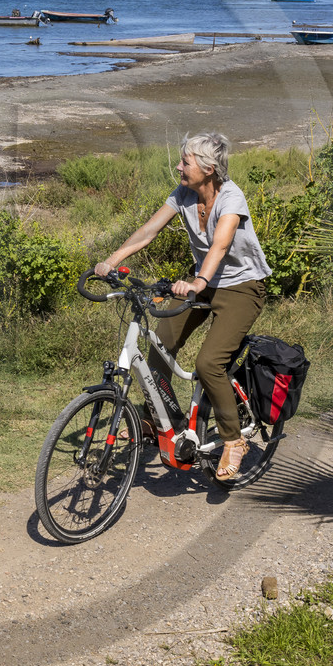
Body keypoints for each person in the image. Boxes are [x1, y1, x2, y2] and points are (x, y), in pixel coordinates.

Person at [92, 134, 271, 479]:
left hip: (241, 288)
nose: (178, 166)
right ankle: (155, 420)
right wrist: (111, 260)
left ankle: (234, 441)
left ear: (208, 168)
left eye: (185, 162)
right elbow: (149, 231)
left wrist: (198, 282)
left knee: (209, 364)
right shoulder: (184, 194)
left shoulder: (231, 197)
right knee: (159, 348)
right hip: (201, 285)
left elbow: (219, 245)